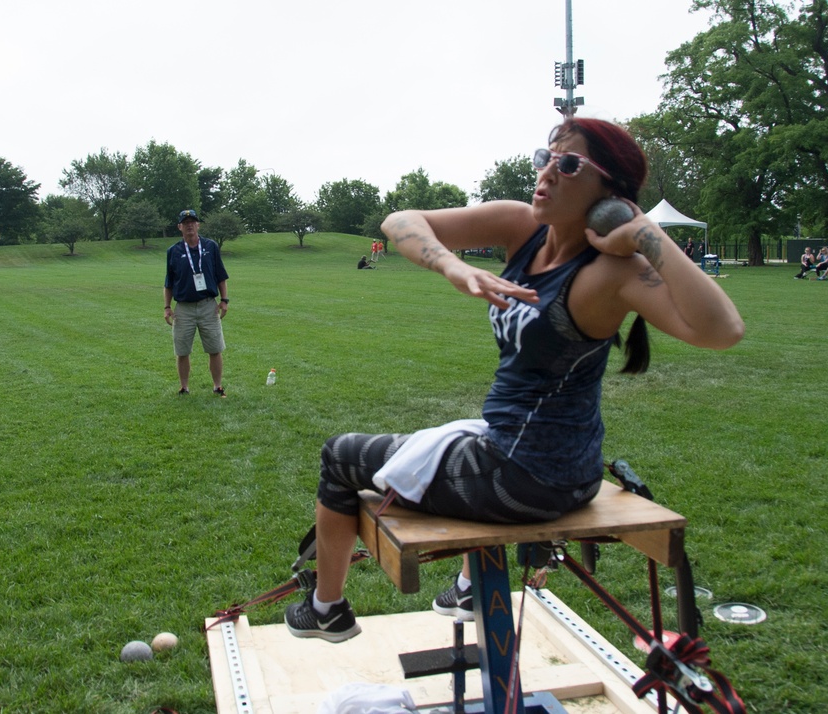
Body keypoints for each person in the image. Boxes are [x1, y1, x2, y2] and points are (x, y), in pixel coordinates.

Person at [283, 117, 744, 643]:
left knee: (339, 456)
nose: (547, 172)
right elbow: (400, 221)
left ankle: (326, 609)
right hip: (563, 470)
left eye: (569, 164)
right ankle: (466, 589)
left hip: (522, 478)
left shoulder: (611, 274)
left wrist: (643, 232)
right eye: (544, 157)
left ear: (609, 193)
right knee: (462, 431)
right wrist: (452, 267)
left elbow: (723, 330)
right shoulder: (522, 226)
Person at [163, 209, 230, 397]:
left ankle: (217, 386)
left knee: (215, 348)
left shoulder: (211, 247)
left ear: (198, 225)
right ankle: (184, 387)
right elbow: (169, 283)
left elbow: (221, 276)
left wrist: (224, 300)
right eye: (185, 223)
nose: (189, 225)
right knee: (182, 350)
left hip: (209, 305)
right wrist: (167, 307)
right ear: (179, 227)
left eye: (193, 221)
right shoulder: (173, 251)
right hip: (183, 308)